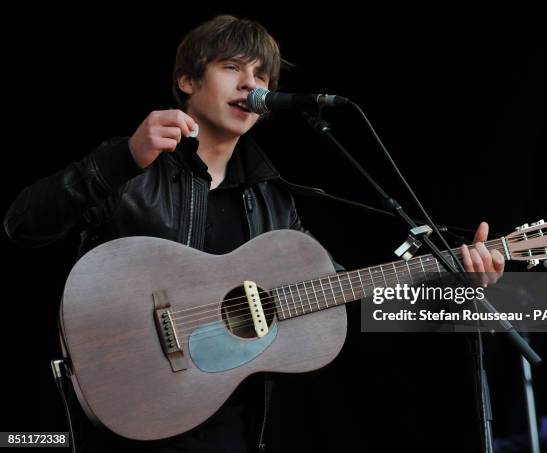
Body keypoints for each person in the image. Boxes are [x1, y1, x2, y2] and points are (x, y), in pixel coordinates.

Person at [3, 14, 504, 452]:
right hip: (124, 417)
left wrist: (453, 283)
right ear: (186, 80)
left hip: (229, 429)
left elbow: (338, 294)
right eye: (232, 68)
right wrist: (120, 159)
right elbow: (23, 225)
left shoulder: (273, 199)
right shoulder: (134, 166)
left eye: (261, 75)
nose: (251, 84)